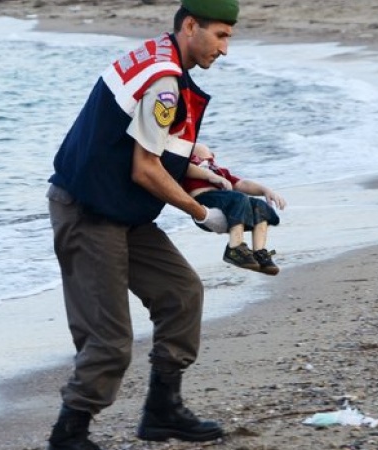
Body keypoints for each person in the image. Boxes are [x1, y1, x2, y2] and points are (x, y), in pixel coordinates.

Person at [44, 1, 239, 449]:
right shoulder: (165, 82)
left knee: (182, 294)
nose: (225, 49)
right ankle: (68, 434)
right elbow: (145, 169)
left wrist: (210, 172)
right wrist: (201, 213)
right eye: (221, 35)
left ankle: (162, 411)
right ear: (191, 26)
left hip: (121, 211)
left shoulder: (158, 57)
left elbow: (153, 143)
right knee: (109, 341)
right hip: (87, 212)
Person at [183, 143, 286, 275]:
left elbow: (242, 184)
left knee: (259, 206)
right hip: (204, 201)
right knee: (239, 198)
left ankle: (259, 253)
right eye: (196, 159)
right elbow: (185, 167)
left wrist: (265, 190)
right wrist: (209, 175)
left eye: (206, 160)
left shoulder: (221, 172)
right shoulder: (189, 168)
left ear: (213, 157)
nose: (202, 161)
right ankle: (234, 247)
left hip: (227, 204)